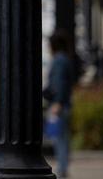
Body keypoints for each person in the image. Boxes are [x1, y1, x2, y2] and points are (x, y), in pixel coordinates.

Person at [45, 29, 75, 178]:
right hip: (65, 104)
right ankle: (63, 167)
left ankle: (62, 169)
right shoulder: (66, 59)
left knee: (60, 139)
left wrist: (57, 102)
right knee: (63, 138)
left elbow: (59, 83)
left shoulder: (58, 61)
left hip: (59, 106)